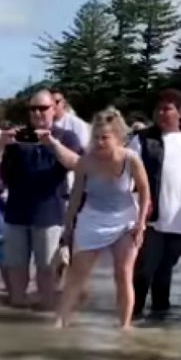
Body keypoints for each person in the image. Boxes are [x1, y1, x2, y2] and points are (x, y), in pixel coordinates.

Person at [55, 108, 151, 329]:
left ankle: (124, 326)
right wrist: (68, 225)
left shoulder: (131, 159)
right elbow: (76, 195)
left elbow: (145, 190)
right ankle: (61, 321)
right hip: (92, 218)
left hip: (125, 219)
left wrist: (141, 223)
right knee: (77, 274)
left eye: (105, 138)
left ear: (117, 137)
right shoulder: (85, 162)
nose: (99, 142)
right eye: (96, 137)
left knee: (123, 273)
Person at [129, 89, 181, 319]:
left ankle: (159, 323)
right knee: (144, 272)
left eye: (167, 108)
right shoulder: (142, 140)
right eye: (158, 109)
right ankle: (132, 318)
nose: (161, 113)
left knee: (164, 273)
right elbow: (128, 178)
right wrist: (137, 216)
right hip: (152, 223)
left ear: (180, 112)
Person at [0, 90, 84, 309]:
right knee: (15, 270)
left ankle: (46, 323)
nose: (37, 113)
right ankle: (17, 319)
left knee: (47, 272)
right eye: (32, 109)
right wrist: (1, 143)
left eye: (42, 108)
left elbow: (77, 163)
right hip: (16, 213)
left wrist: (52, 144)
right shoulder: (16, 136)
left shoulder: (66, 136)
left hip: (49, 214)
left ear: (54, 109)